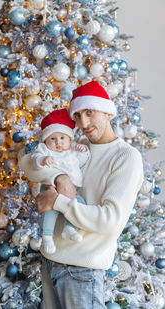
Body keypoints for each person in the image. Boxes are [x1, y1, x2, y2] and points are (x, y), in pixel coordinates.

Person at [20, 81, 144, 309]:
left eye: (89, 112)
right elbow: (27, 163)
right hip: (51, 262)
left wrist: (58, 201)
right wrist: (60, 177)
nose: (83, 122)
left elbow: (110, 221)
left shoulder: (126, 157)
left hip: (82, 271)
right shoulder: (75, 146)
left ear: (108, 111)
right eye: (77, 115)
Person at [27, 108, 90, 254]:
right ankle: (47, 235)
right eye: (52, 139)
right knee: (51, 209)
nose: (58, 143)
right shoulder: (45, 149)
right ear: (46, 141)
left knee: (79, 204)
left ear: (69, 139)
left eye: (62, 138)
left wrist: (83, 150)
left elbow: (82, 160)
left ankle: (69, 228)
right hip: (51, 187)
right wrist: (43, 160)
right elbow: (34, 159)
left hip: (72, 189)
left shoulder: (72, 149)